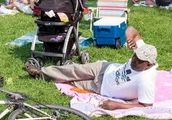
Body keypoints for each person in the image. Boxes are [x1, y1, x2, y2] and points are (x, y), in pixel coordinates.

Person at [25, 27, 158, 109]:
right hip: (105, 68)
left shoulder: (146, 81)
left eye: (139, 61)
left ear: (149, 64)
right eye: (135, 56)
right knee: (74, 71)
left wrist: (118, 105)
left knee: (69, 81)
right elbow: (132, 29)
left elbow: (146, 106)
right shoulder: (144, 50)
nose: (134, 60)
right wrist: (130, 38)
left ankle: (42, 75)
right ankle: (41, 72)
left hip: (101, 88)